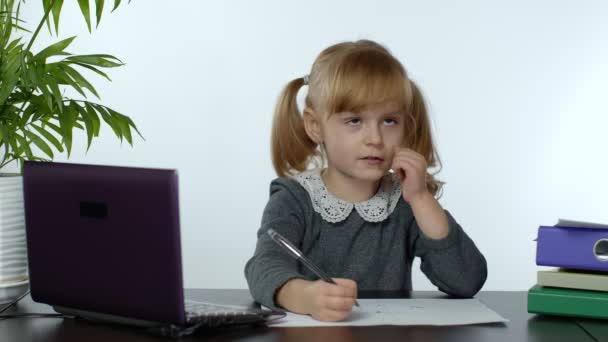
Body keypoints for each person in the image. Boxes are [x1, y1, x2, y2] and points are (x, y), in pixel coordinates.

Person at [244, 40, 487, 322]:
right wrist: (306, 297)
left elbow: (467, 280)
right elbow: (263, 267)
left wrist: (421, 199)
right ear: (314, 125)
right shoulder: (293, 198)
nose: (375, 139)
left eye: (389, 121)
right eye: (355, 120)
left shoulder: (405, 202)